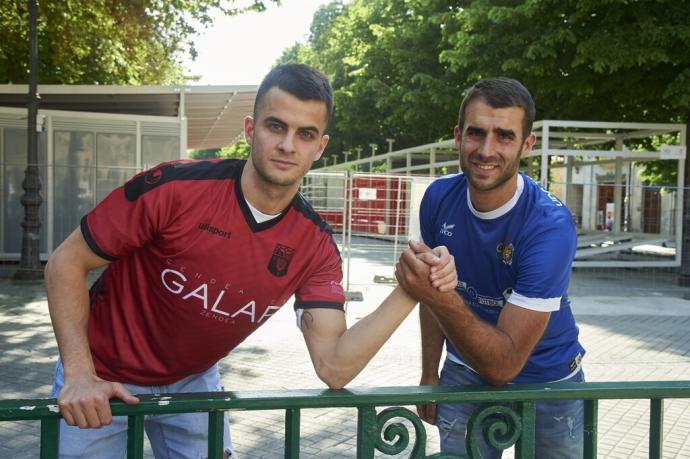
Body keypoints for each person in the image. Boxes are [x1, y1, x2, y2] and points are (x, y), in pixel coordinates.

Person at [44, 63, 457, 459]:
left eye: (305, 133)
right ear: (250, 128)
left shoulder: (314, 245)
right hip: (100, 372)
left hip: (192, 382)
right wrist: (79, 374)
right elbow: (65, 263)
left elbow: (334, 367)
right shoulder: (173, 188)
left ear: (320, 147)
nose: (287, 144)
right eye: (275, 125)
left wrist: (409, 289)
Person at [395, 77, 586, 458]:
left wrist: (441, 297)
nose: (486, 150)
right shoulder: (438, 197)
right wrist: (430, 374)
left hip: (548, 380)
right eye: (476, 133)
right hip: (464, 368)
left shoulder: (549, 224)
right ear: (457, 136)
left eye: (504, 136)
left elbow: (503, 366)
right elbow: (433, 300)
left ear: (526, 145)